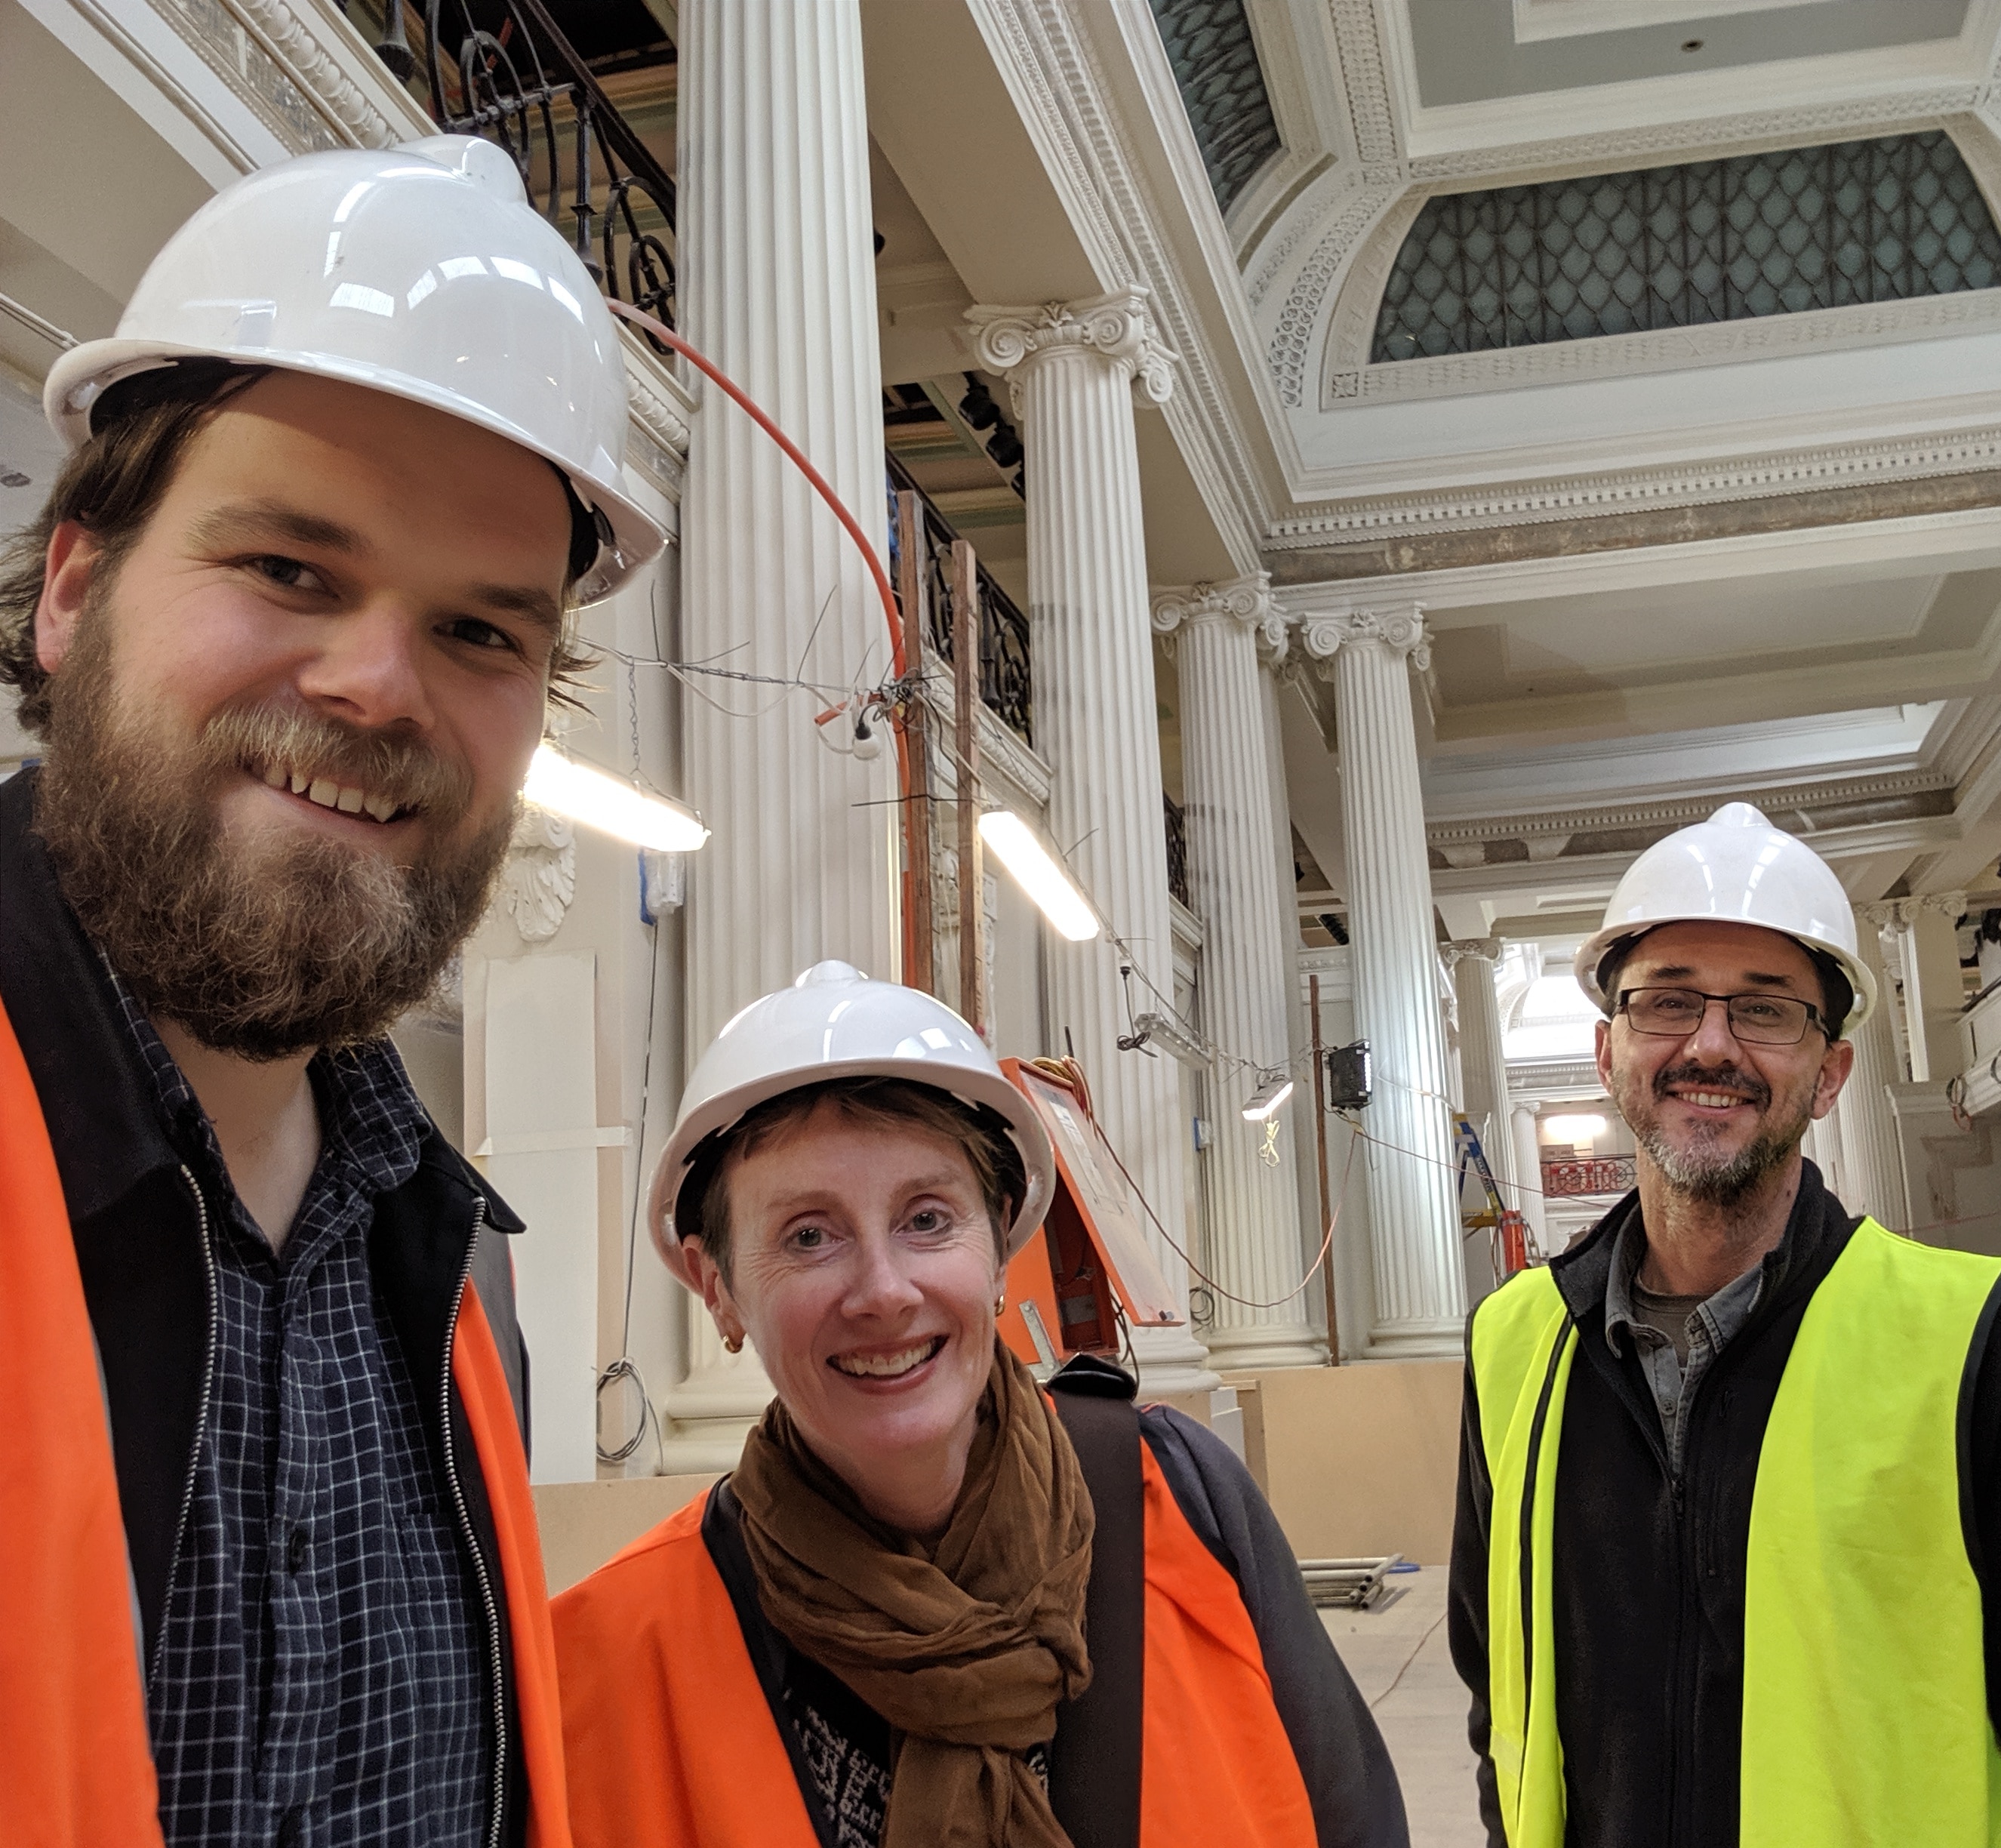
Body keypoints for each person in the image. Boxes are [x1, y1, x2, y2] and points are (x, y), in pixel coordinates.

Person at [0, 135, 664, 1846]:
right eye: (291, 569)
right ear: (76, 586)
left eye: (480, 631)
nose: (375, 685)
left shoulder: (447, 1265)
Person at [552, 960, 1407, 1848]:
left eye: (927, 1219)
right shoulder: (607, 1661)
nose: (884, 1292)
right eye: (809, 1235)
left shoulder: (1187, 1508)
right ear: (716, 1285)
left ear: (1000, 1243)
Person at [1451, 802, 2001, 1848]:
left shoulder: (1983, 1346)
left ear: (1830, 1073)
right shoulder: (1515, 1345)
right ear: (1607, 1051)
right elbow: (1501, 1695)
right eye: (1668, 1003)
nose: (1711, 1045)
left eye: (1766, 1012)